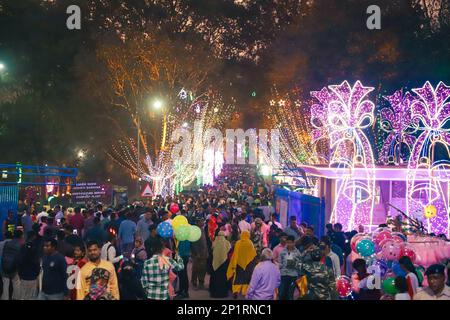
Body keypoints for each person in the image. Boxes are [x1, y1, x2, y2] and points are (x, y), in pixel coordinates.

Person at [226, 230, 257, 298]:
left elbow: (235, 254)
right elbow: (253, 254)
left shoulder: (238, 243)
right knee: (247, 278)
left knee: (238, 278)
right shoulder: (250, 243)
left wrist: (234, 263)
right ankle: (245, 291)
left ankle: (236, 291)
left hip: (238, 263)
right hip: (248, 264)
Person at [17, 231, 40, 300]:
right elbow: (37, 263)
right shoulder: (36, 248)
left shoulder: (23, 247)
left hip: (23, 276)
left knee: (23, 295)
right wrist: (37, 273)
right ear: (33, 236)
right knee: (32, 296)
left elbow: (19, 262)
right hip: (32, 276)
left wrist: (20, 274)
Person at [1, 230, 23, 300]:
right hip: (14, 267)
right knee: (16, 282)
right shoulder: (20, 245)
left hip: (4, 266)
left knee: (5, 283)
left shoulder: (7, 243)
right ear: (21, 236)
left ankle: (5, 298)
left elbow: (4, 254)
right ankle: (16, 297)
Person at [209, 231, 231, 298]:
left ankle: (214, 293)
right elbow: (229, 249)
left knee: (215, 278)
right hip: (224, 263)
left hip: (215, 263)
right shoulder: (227, 243)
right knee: (223, 278)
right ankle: (223, 293)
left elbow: (211, 249)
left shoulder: (215, 242)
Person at [279, 235, 301, 300]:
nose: (289, 244)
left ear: (294, 243)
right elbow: (280, 262)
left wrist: (294, 264)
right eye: (288, 242)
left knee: (290, 294)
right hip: (283, 275)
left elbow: (300, 265)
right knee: (282, 293)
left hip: (293, 275)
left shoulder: (297, 253)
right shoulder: (283, 251)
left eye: (291, 242)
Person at [190, 218, 208, 290]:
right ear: (197, 222)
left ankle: (201, 283)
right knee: (196, 268)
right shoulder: (195, 230)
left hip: (204, 252)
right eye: (201, 221)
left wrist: (207, 252)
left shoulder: (202, 230)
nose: (203, 222)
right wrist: (197, 253)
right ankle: (194, 282)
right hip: (197, 253)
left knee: (203, 268)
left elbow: (205, 242)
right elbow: (194, 243)